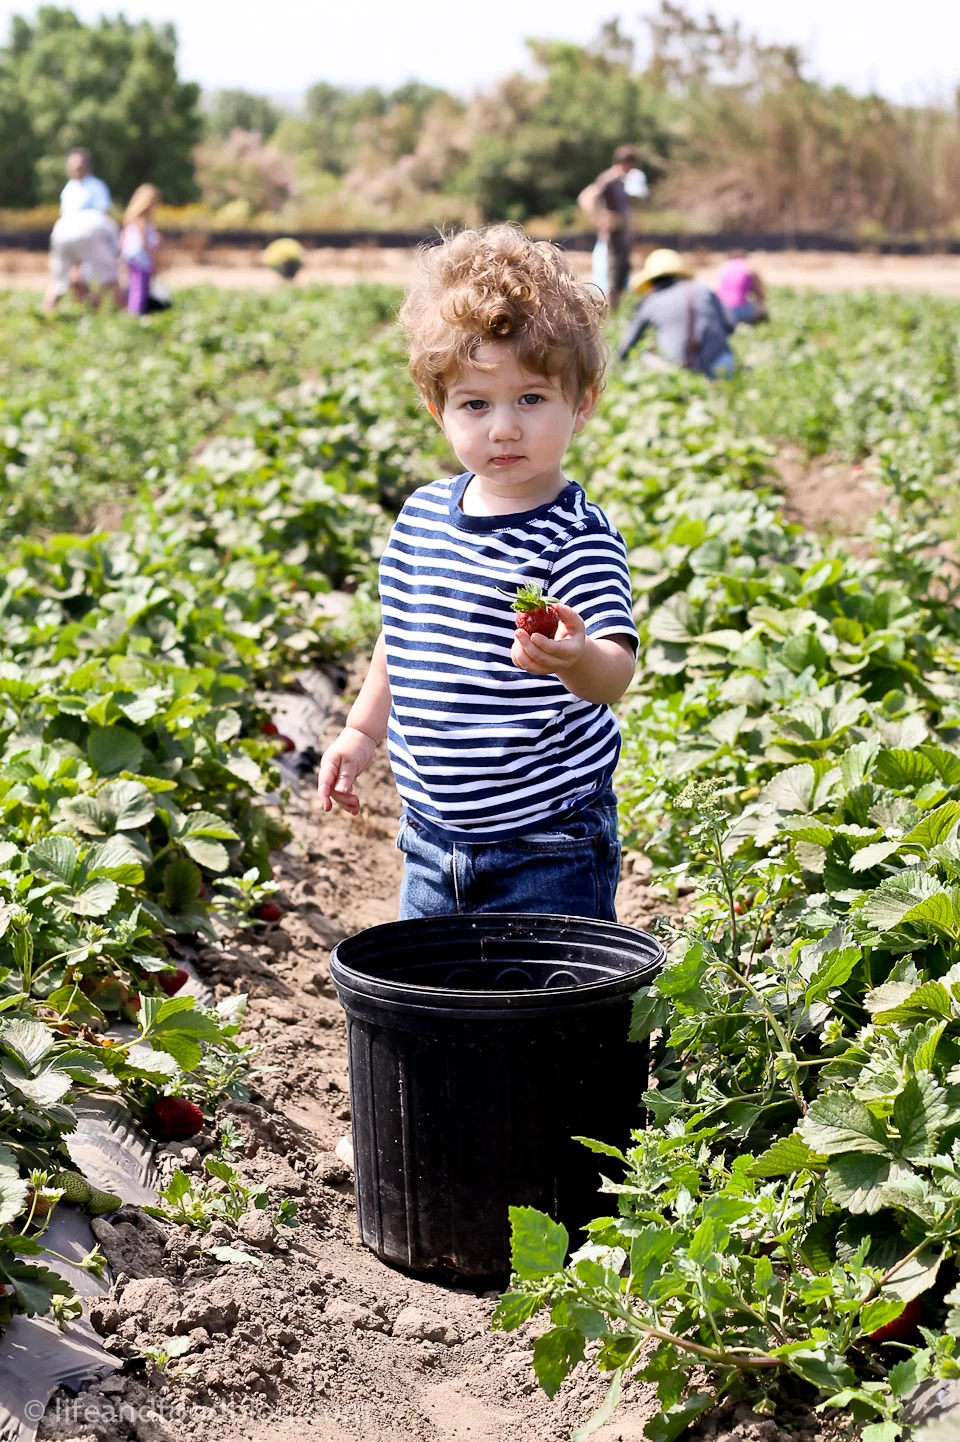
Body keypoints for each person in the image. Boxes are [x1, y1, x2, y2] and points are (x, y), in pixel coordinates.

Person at [318, 225, 638, 922]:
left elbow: (614, 673)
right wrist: (362, 732)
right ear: (438, 411)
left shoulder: (576, 535)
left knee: (547, 1012)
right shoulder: (424, 515)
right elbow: (401, 635)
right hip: (431, 840)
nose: (503, 429)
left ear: (581, 404)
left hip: (548, 843)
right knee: (438, 1005)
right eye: (475, 404)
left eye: (531, 400)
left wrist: (574, 656)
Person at [618, 248, 736, 378]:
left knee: (643, 354)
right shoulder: (703, 289)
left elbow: (629, 343)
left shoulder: (650, 301)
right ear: (679, 274)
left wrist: (617, 365)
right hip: (721, 367)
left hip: (678, 373)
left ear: (650, 280)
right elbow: (730, 325)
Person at [43, 149, 122, 314]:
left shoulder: (95, 186)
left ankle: (90, 308)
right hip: (74, 232)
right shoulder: (68, 189)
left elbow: (101, 215)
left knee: (104, 277)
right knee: (107, 277)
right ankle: (124, 314)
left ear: (87, 167)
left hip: (83, 232)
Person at [578, 145, 648, 311]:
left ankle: (618, 313)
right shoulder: (609, 178)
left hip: (623, 237)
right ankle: (609, 314)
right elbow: (586, 197)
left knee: (621, 277)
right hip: (613, 237)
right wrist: (600, 218)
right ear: (627, 162)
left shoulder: (624, 181)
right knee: (612, 277)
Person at [120, 184, 162, 315]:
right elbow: (144, 242)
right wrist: (153, 258)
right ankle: (136, 315)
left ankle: (134, 312)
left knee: (134, 286)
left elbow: (123, 238)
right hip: (141, 258)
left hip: (131, 257)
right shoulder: (142, 220)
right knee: (140, 288)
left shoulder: (131, 218)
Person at [714, 252, 767, 327]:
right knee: (761, 309)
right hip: (741, 311)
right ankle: (753, 327)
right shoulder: (749, 267)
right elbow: (761, 294)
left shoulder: (723, 268)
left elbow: (716, 292)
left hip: (723, 311)